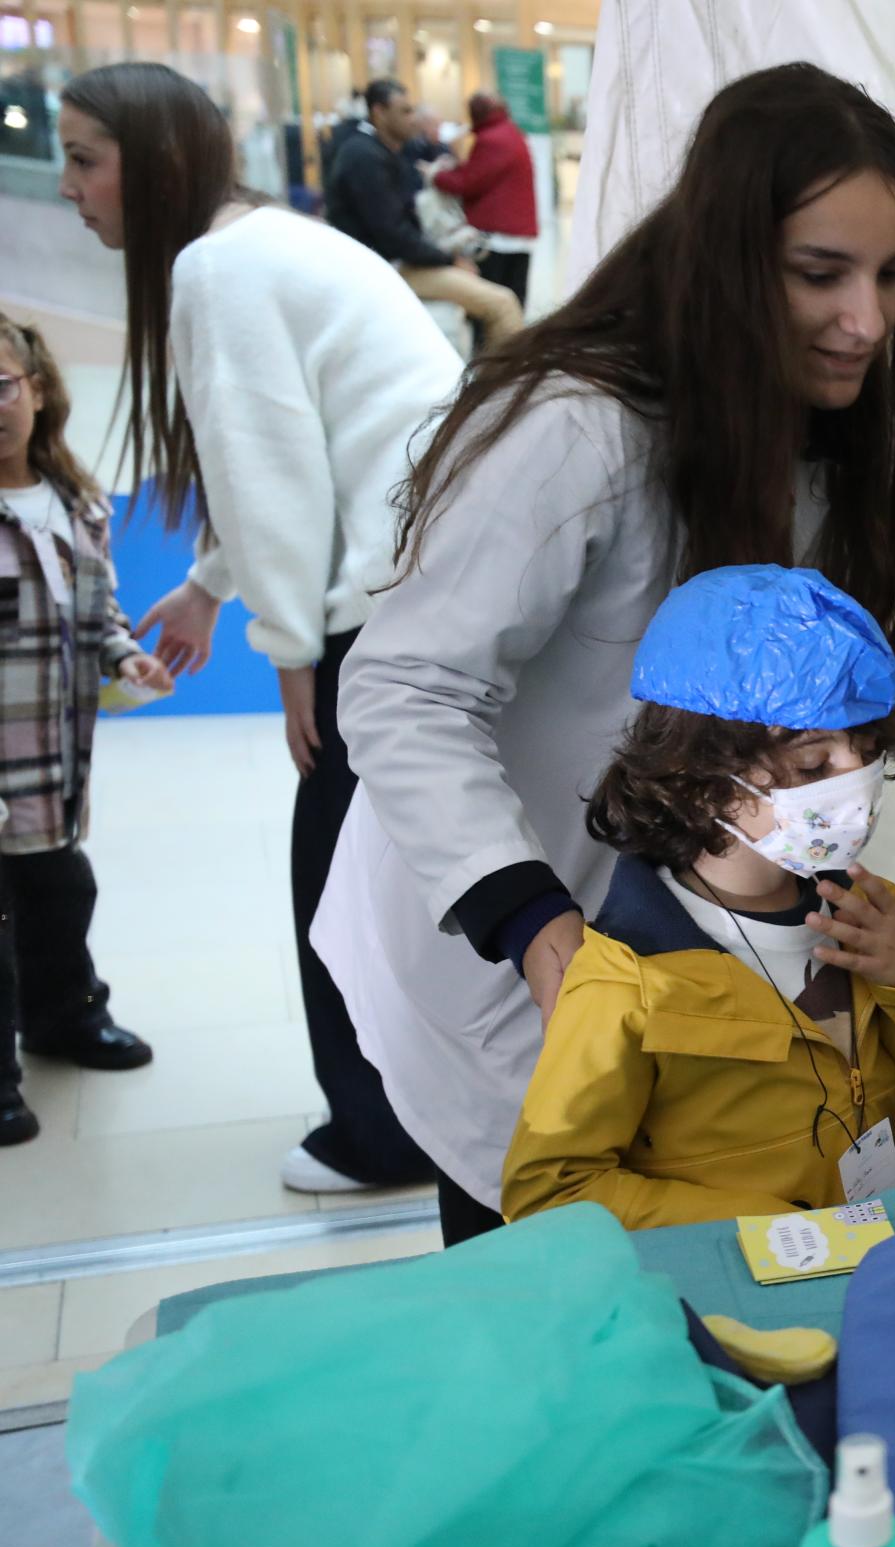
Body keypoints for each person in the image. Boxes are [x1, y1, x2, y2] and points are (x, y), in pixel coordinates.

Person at [315, 62, 895, 1245]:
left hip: (666, 946)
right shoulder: (578, 431)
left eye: (893, 276)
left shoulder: (811, 425)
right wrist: (536, 929)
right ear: (727, 262)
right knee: (562, 1275)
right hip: (506, 935)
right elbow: (403, 689)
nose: (868, 320)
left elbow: (820, 673)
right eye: (821, 274)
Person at [57, 62, 451, 1192]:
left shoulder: (218, 269)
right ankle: (416, 1108)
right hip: (423, 580)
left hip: (383, 606)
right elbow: (296, 451)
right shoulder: (263, 243)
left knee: (337, 873)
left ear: (156, 158)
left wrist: (292, 658)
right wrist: (208, 584)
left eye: (86, 160)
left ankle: (381, 1133)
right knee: (387, 863)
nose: (72, 189)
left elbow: (280, 480)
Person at [501, 567, 895, 1232]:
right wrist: (762, 1223)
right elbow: (550, 1190)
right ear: (696, 774)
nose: (856, 784)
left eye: (866, 751)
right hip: (726, 1298)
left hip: (859, 1268)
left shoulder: (863, 915)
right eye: (814, 765)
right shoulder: (628, 980)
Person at [0, 315, 172, 1147]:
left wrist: (128, 657)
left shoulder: (76, 504)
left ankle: (63, 1018)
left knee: (61, 893)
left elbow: (98, 612)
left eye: (3, 384)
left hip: (51, 765)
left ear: (36, 390)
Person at [323, 78, 522, 350]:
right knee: (503, 304)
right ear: (379, 112)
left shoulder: (374, 151)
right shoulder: (365, 158)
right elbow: (393, 235)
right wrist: (448, 260)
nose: (413, 119)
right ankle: (505, 390)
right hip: (388, 268)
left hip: (393, 260)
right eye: (404, 111)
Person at [432, 93, 537, 308]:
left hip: (498, 237)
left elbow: (469, 182)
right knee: (514, 302)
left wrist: (435, 175)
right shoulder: (510, 132)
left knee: (492, 306)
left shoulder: (491, 139)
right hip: (517, 233)